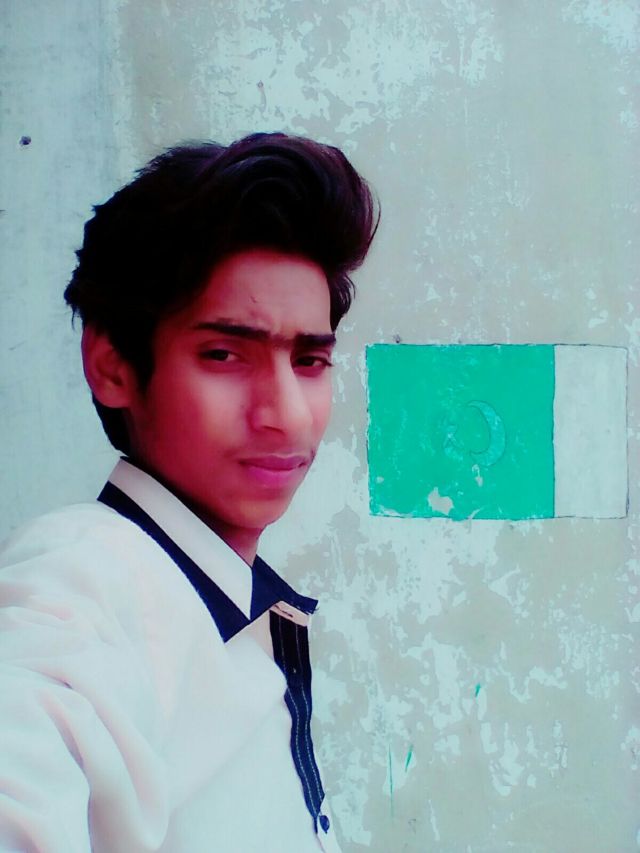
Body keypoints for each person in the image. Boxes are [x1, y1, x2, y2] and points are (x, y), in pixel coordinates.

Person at [0, 133, 378, 852]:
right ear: (113, 366)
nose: (287, 415)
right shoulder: (83, 578)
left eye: (309, 360)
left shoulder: (218, 608)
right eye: (225, 354)